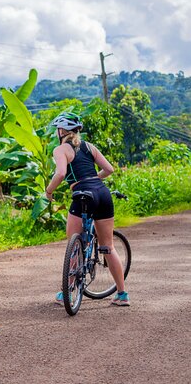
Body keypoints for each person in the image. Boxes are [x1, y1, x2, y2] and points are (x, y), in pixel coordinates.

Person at [45, 112, 129, 306]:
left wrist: (49, 192)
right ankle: (122, 295)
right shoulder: (89, 147)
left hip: (83, 194)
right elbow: (109, 169)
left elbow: (60, 173)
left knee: (74, 245)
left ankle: (67, 291)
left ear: (62, 131)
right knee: (108, 246)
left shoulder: (61, 150)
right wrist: (95, 180)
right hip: (102, 193)